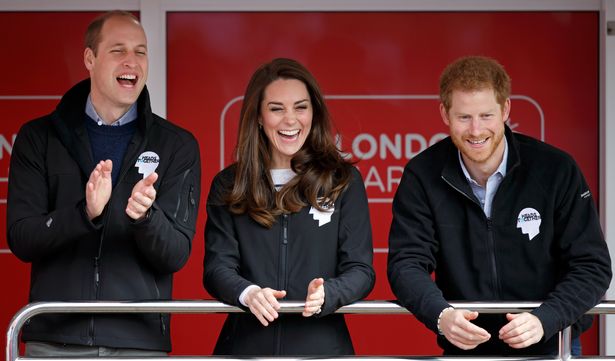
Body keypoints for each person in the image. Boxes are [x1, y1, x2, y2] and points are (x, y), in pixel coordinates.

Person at [387, 55, 611, 356]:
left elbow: (591, 265)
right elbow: (406, 263)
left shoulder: (555, 169)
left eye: (486, 116)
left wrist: (546, 319)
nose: (476, 130)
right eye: (464, 117)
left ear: (505, 109)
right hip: (466, 348)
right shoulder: (422, 174)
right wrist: (441, 316)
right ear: (445, 114)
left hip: (551, 345)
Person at [7, 10, 201, 357]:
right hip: (54, 342)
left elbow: (176, 254)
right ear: (89, 58)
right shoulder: (39, 137)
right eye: (118, 50)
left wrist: (146, 218)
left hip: (138, 345)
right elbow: (22, 238)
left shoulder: (177, 144)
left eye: (141, 51)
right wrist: (85, 214)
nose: (132, 61)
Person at [203, 58, 375, 356]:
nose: (290, 120)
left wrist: (329, 293)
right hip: (244, 350)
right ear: (258, 116)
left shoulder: (342, 180)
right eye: (276, 109)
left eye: (300, 107)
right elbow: (217, 267)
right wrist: (248, 293)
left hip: (322, 349)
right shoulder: (229, 184)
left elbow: (360, 269)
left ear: (314, 112)